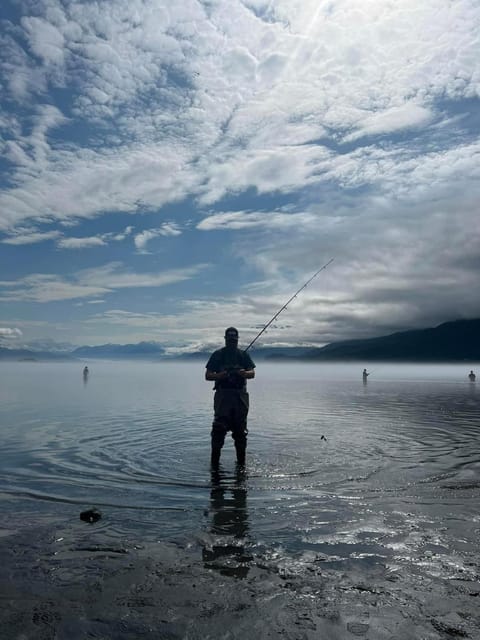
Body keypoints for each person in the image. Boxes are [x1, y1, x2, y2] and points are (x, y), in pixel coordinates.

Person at [205, 327, 256, 468]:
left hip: (240, 397)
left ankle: (241, 465)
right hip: (223, 397)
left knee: (240, 432)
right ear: (225, 339)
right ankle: (214, 466)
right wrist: (219, 376)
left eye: (234, 339)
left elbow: (252, 373)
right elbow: (208, 375)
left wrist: (244, 374)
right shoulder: (217, 355)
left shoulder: (243, 355)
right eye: (229, 339)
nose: (232, 342)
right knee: (218, 431)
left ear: (237, 339)